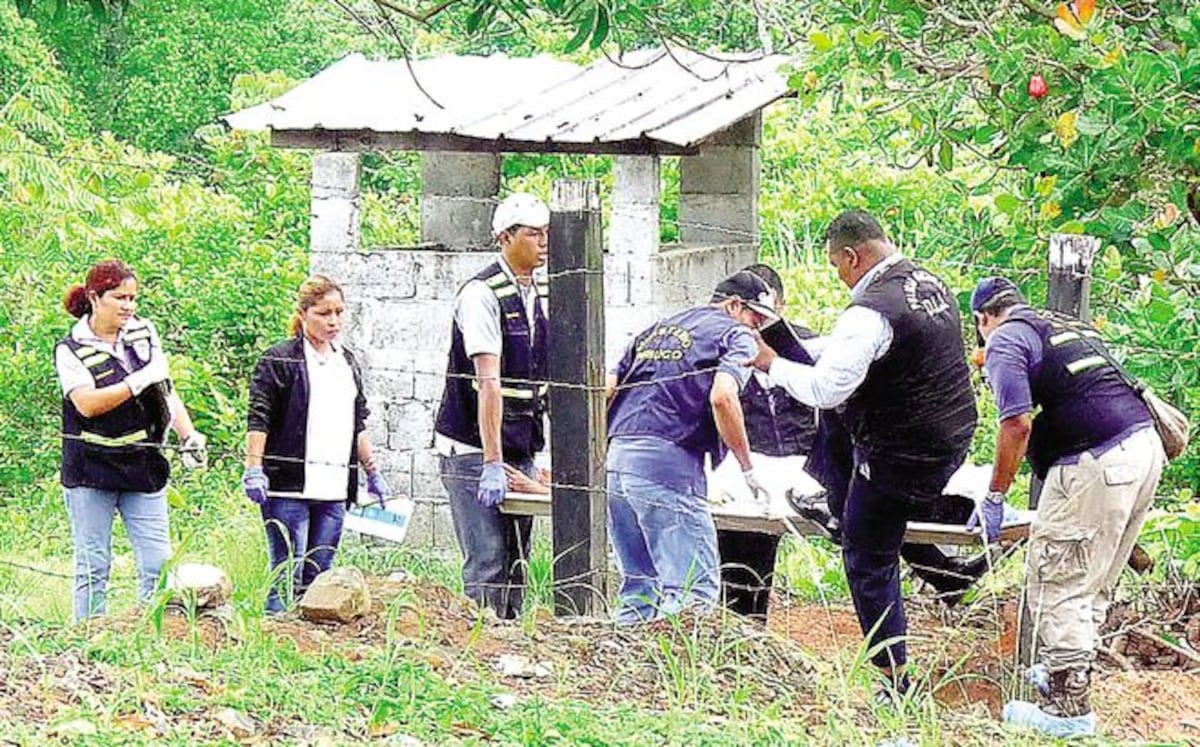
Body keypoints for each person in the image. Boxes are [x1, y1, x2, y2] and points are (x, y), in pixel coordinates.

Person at [749, 210, 978, 700]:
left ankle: (894, 682)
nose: (838, 275)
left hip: (901, 455)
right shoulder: (927, 283)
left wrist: (770, 363)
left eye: (836, 265)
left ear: (852, 256)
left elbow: (827, 389)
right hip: (950, 437)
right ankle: (845, 505)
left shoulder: (868, 312)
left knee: (867, 556)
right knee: (862, 480)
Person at [970, 277, 1165, 738]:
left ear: (983, 319)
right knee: (1093, 580)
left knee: (1059, 579)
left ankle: (1068, 710)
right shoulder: (1061, 326)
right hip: (1144, 449)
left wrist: (995, 495)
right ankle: (1066, 677)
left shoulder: (1005, 340)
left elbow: (1016, 423)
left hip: (1096, 462)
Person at [605, 270, 777, 624]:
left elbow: (604, 392)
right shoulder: (736, 335)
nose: (757, 331)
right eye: (756, 318)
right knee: (691, 596)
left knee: (640, 589)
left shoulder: (655, 329)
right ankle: (680, 676)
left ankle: (627, 676)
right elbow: (723, 397)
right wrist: (747, 466)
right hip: (668, 466)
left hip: (617, 459)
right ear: (733, 305)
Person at [56, 259, 207, 621]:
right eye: (119, 298)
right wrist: (135, 382)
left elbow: (165, 390)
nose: (128, 306)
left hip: (143, 464)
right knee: (94, 565)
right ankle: (89, 639)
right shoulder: (71, 348)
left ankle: (150, 632)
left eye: (133, 298)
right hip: (91, 469)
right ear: (95, 297)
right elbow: (87, 404)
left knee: (158, 561)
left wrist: (188, 435)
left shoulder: (144, 333)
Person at [433, 193, 550, 620]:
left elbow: (544, 380)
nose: (543, 241)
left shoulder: (540, 294)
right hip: (472, 448)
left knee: (518, 558)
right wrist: (492, 461)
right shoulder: (482, 294)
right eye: (532, 233)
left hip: (521, 446)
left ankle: (512, 635)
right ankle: (481, 641)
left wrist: (541, 453)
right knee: (487, 557)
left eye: (545, 232)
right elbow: (488, 383)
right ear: (505, 238)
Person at [243, 275, 389, 614]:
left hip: (335, 488)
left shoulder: (346, 362)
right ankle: (276, 634)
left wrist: (372, 471)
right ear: (304, 313)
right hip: (289, 486)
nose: (333, 321)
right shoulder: (280, 360)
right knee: (287, 570)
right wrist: (254, 468)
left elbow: (358, 422)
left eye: (339, 312)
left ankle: (312, 641)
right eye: (324, 313)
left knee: (321, 575)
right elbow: (259, 418)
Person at [716, 263, 818, 621]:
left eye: (766, 317)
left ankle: (751, 628)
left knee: (761, 556)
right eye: (753, 316)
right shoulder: (721, 347)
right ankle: (742, 629)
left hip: (792, 467)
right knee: (739, 557)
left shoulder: (804, 346)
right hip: (738, 468)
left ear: (782, 307)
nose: (758, 328)